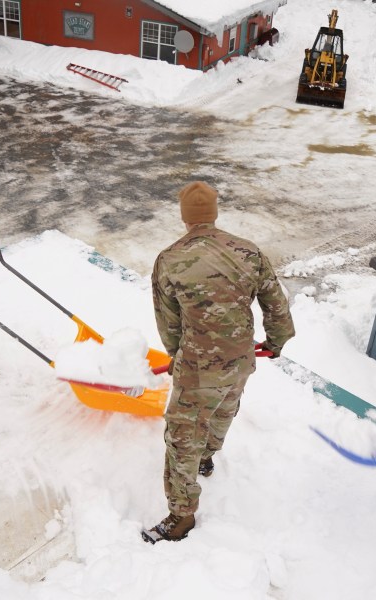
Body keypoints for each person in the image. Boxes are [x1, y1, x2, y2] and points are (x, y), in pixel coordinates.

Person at [143, 181, 295, 544]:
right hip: (240, 359)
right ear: (213, 212)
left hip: (198, 367)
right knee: (225, 408)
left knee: (182, 437)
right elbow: (276, 304)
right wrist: (276, 341)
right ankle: (208, 457)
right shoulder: (248, 251)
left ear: (185, 217)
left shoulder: (170, 259)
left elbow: (168, 324)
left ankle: (181, 517)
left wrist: (180, 355)